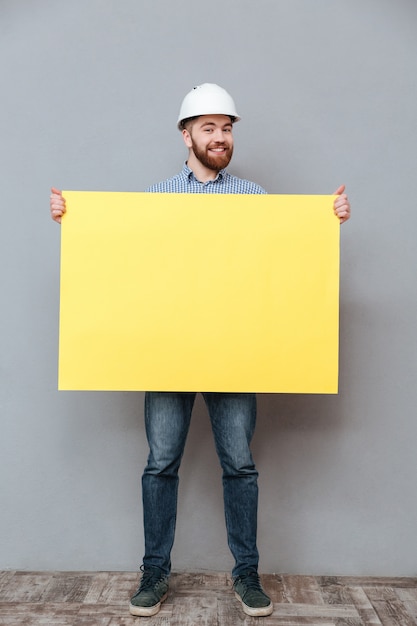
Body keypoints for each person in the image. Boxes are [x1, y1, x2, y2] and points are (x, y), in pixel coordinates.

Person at [50, 83, 351, 618]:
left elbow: (279, 270)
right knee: (160, 463)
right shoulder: (159, 196)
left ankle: (247, 575)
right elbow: (128, 267)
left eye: (227, 128)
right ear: (185, 135)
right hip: (168, 353)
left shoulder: (254, 199)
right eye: (208, 127)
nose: (220, 137)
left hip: (235, 354)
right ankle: (154, 573)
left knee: (240, 465)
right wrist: (75, 222)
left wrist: (327, 223)